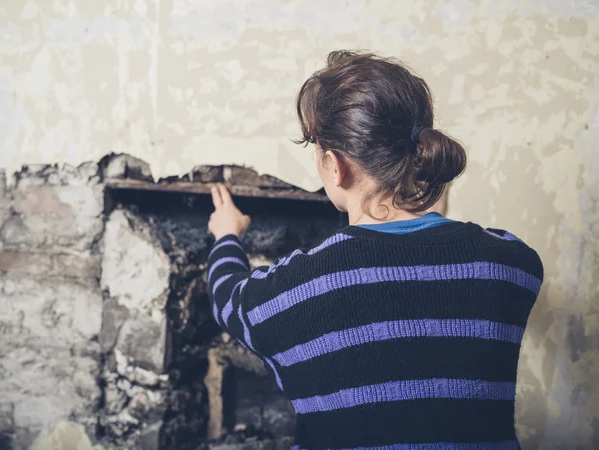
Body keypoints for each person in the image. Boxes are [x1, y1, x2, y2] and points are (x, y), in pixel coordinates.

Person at [206, 51, 543, 449]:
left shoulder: (296, 291)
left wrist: (226, 235)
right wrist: (427, 207)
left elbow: (228, 297)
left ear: (334, 165)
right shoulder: (512, 265)